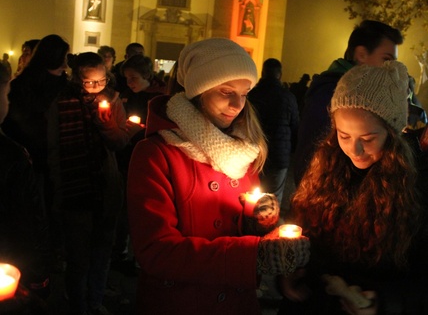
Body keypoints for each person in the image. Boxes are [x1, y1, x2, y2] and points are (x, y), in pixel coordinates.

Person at [126, 38, 310, 315]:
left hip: (237, 303)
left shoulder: (241, 149)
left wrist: (259, 219)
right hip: (182, 303)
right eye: (226, 91)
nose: (238, 104)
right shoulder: (156, 153)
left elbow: (236, 224)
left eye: (245, 93)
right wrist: (251, 257)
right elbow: (156, 250)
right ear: (198, 91)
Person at [279, 61, 428, 314]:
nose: (354, 149)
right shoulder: (324, 169)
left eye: (368, 138)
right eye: (344, 135)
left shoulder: (419, 186)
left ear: (392, 132)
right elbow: (300, 234)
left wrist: (383, 302)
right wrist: (292, 270)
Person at [56, 52, 129, 315]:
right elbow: (55, 146)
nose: (97, 88)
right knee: (78, 256)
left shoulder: (113, 99)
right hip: (74, 186)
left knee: (101, 252)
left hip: (104, 187)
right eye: (89, 83)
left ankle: (95, 301)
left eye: (101, 81)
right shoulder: (62, 101)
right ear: (77, 78)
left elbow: (120, 141)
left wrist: (107, 126)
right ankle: (77, 304)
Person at [293, 20, 404, 185]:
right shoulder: (334, 94)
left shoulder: (367, 96)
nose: (391, 68)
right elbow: (310, 156)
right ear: (361, 55)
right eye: (386, 59)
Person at [1, 34, 70, 271]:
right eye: (63, 59)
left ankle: (54, 250)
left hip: (57, 159)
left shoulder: (64, 86)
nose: (65, 65)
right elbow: (16, 123)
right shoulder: (22, 86)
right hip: (33, 158)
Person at [0, 62, 52, 302]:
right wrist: (38, 275)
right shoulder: (10, 156)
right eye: (6, 94)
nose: (8, 102)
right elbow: (29, 221)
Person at [112, 54, 167, 265]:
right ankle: (120, 251)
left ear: (146, 75)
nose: (129, 82)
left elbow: (160, 131)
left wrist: (139, 130)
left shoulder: (158, 99)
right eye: (126, 78)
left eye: (133, 77)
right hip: (124, 157)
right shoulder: (125, 94)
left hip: (145, 160)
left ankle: (141, 255)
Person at [248, 58, 299, 204]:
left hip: (255, 152)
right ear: (280, 75)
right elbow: (295, 126)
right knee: (274, 198)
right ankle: (271, 224)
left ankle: (251, 224)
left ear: (263, 73)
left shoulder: (253, 95)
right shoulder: (288, 97)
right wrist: (292, 150)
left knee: (253, 195)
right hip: (279, 154)